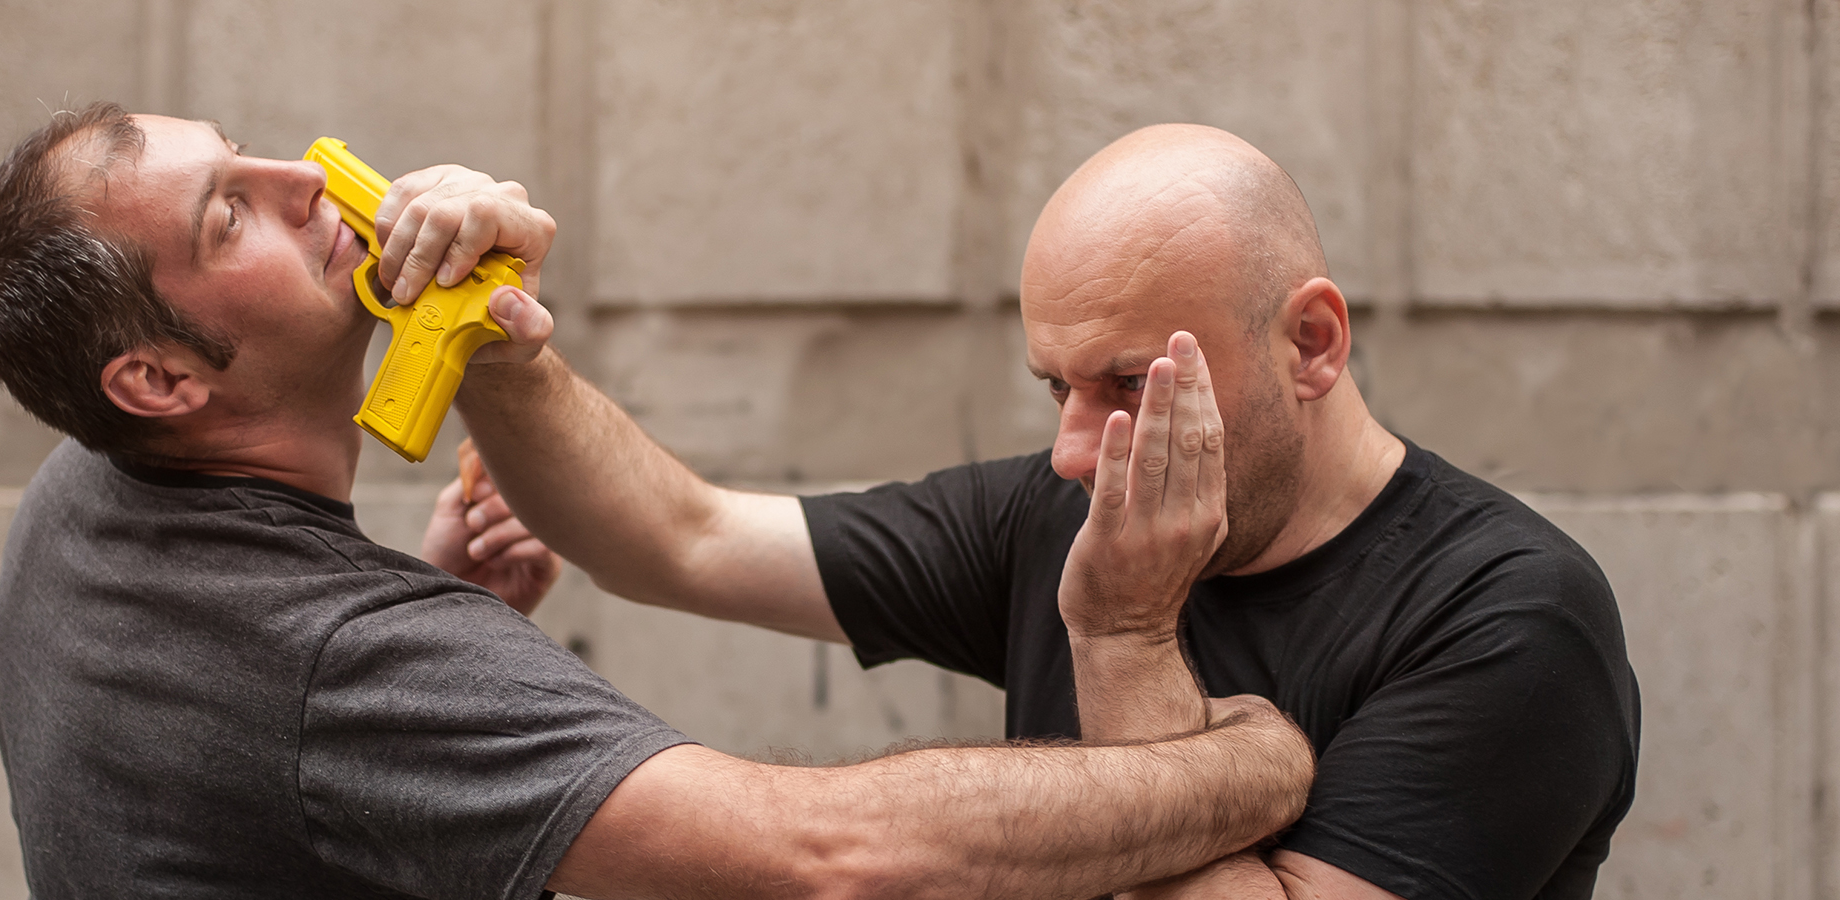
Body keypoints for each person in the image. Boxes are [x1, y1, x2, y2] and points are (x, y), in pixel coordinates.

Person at [0, 102, 1314, 900]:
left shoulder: (81, 493)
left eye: (247, 153)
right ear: (154, 378)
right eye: (228, 218)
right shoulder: (344, 660)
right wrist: (1247, 757)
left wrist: (484, 351)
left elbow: (677, 538)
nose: (304, 180)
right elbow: (829, 860)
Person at [449, 124, 1642, 899]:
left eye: (1130, 384)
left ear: (1311, 344)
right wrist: (498, 348)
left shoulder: (1512, 616)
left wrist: (1122, 640)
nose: (1074, 451)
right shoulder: (1070, 505)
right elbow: (682, 541)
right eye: (1055, 388)